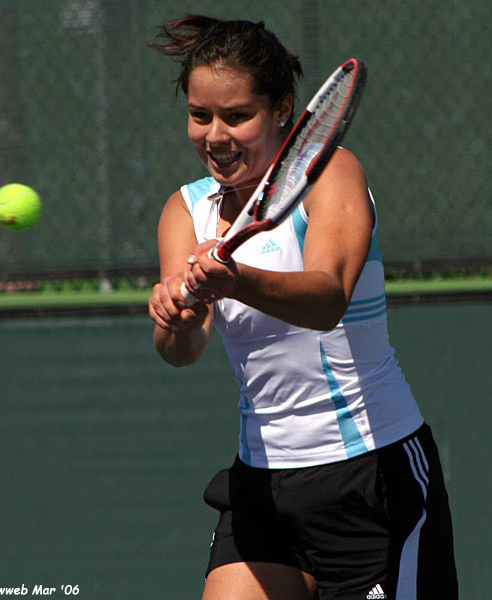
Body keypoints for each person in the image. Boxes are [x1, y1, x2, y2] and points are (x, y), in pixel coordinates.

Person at [147, 15, 458, 600]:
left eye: (237, 116)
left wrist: (236, 279)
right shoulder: (185, 211)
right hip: (261, 484)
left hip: (371, 475)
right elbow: (181, 350)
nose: (216, 135)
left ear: (283, 109)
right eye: (200, 115)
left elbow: (328, 298)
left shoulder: (331, 174)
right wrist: (177, 318)